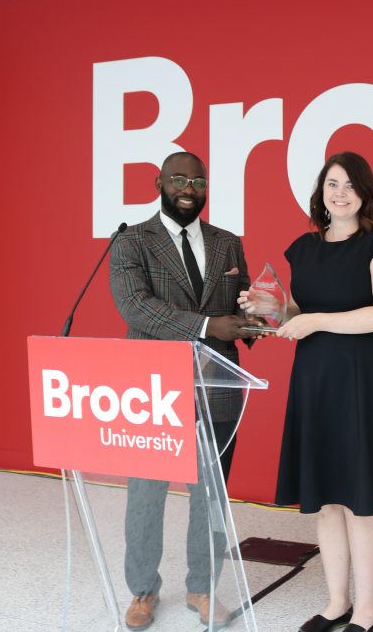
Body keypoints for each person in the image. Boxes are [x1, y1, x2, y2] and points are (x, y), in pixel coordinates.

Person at [239, 151, 373, 632]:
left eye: (349, 185)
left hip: (362, 377)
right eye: (331, 183)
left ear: (365, 194)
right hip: (315, 376)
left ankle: (368, 609)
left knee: (359, 501)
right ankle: (336, 602)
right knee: (326, 500)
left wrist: (313, 320)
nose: (339, 193)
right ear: (321, 190)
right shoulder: (303, 247)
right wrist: (273, 308)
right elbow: (300, 312)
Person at [109, 151, 264, 631]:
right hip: (152, 390)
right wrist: (207, 325)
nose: (188, 188)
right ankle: (142, 590)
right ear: (158, 181)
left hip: (219, 386)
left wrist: (254, 324)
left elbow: (237, 307)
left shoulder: (227, 242)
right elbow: (136, 307)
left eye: (198, 180)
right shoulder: (131, 240)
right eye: (179, 178)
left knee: (211, 494)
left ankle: (203, 586)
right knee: (146, 492)